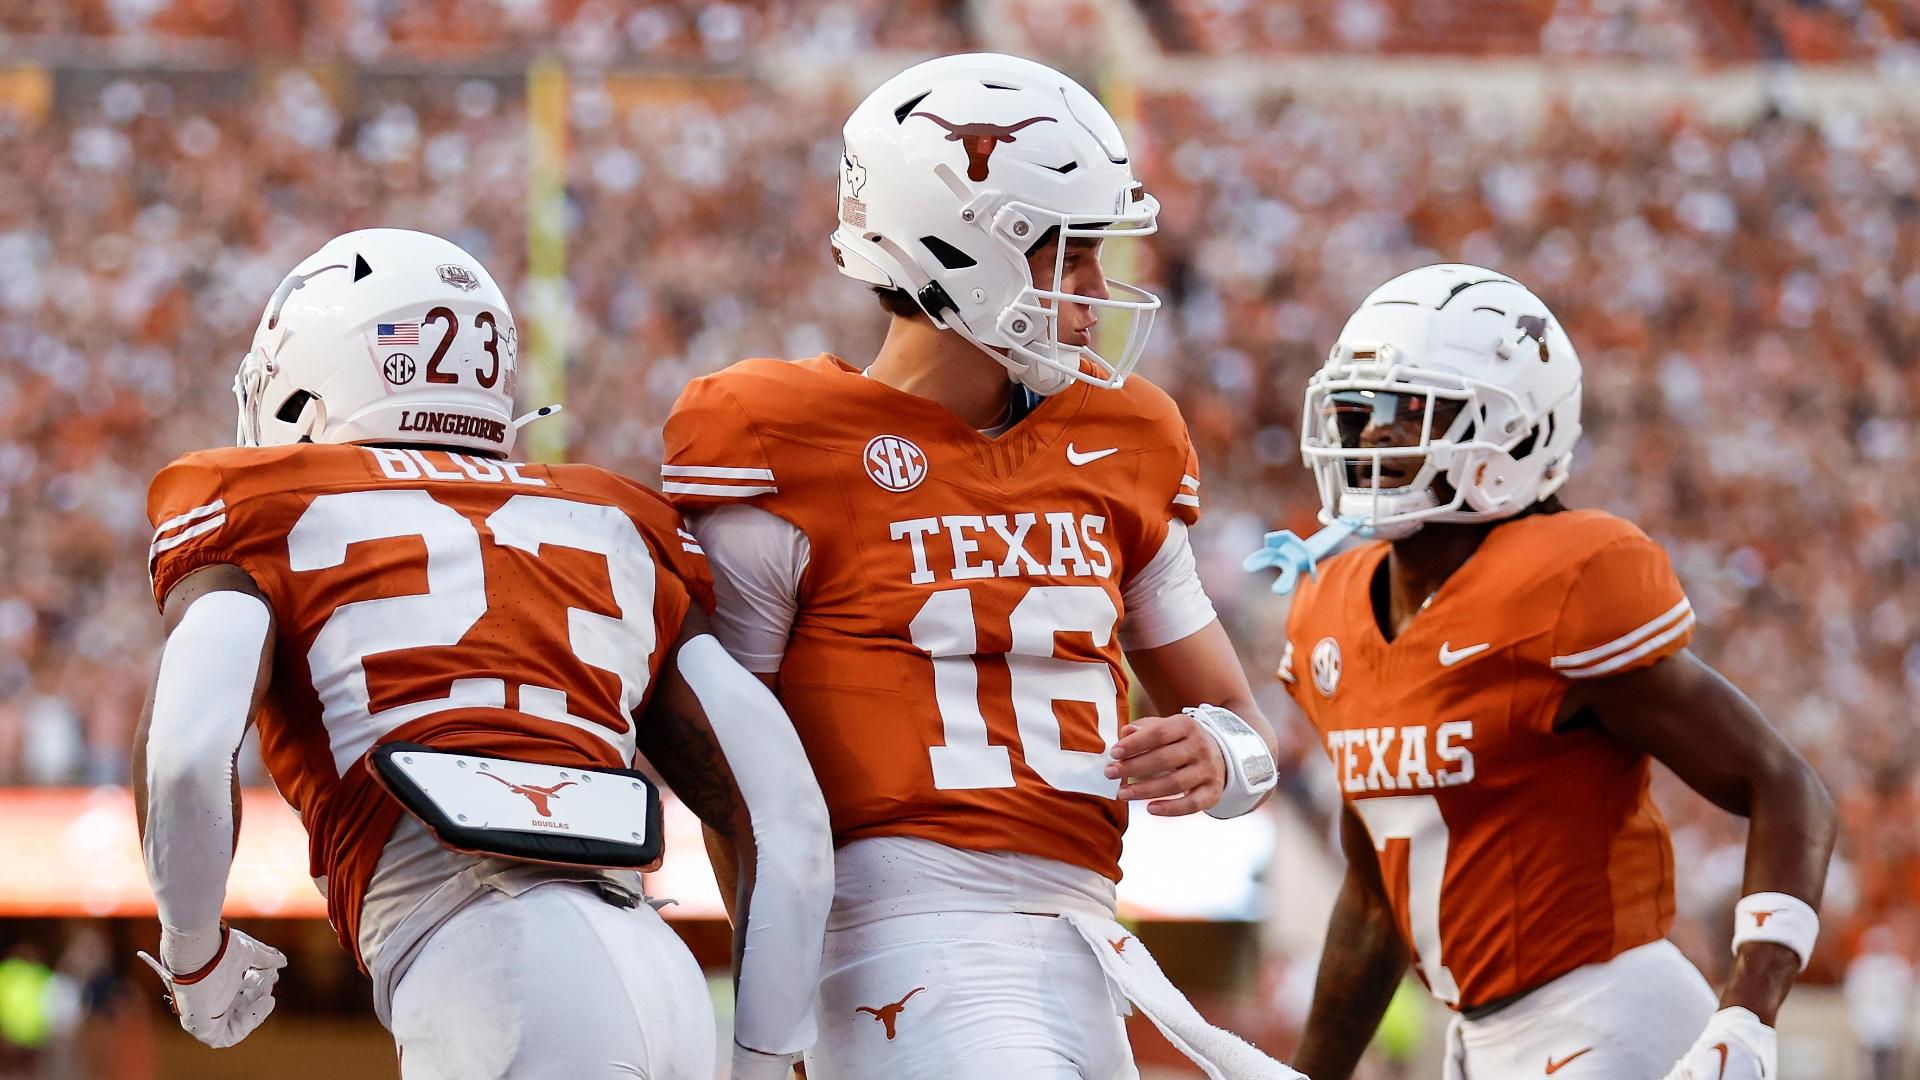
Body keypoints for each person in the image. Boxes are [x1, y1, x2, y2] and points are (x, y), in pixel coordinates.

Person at [662, 52, 1299, 1080]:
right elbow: (740, 787)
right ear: (959, 248)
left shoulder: (1125, 433)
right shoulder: (783, 436)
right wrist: (776, 1013)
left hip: (1089, 933)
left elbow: (1246, 739)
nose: (1097, 294)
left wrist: (1217, 756)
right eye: (1072, 258)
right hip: (898, 935)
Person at [133, 228, 833, 1079]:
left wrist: (195, 957)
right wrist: (766, 1053)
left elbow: (184, 756)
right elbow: (786, 813)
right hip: (662, 971)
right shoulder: (610, 519)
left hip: (492, 964)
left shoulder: (259, 505)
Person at [1248, 263, 1838, 1080]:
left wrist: (1749, 1009)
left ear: (1515, 430)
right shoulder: (1334, 604)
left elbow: (1783, 783)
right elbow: (1378, 894)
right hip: (1479, 1037)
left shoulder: (1566, 579)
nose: (1375, 434)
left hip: (1610, 1013)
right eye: (1364, 409)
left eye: (1411, 409)